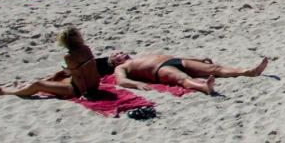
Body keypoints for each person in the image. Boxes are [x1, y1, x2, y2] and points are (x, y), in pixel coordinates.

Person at [0, 27, 113, 99]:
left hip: (80, 89)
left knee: (38, 84)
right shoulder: (86, 48)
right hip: (95, 84)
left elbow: (78, 77)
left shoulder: (69, 56)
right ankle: (24, 85)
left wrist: (83, 94)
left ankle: (9, 92)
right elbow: (89, 69)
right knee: (58, 76)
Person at [113, 52, 269, 95]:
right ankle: (203, 87)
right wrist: (137, 84)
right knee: (183, 79)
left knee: (215, 68)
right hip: (159, 70)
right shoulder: (122, 67)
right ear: (115, 62)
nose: (121, 53)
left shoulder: (141, 56)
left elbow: (170, 56)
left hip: (177, 60)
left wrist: (197, 58)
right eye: (117, 55)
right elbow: (120, 81)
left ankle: (248, 72)